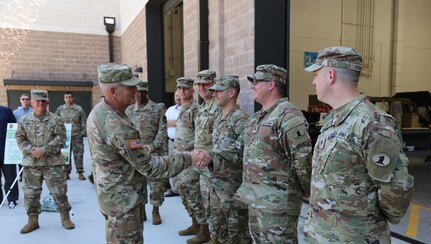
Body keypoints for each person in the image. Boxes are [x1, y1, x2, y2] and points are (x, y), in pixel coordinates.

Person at [87, 64, 209, 244]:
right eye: (129, 87)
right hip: (123, 203)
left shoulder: (101, 111)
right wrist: (189, 157)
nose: (136, 90)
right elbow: (150, 166)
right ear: (113, 91)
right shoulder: (115, 123)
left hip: (112, 197)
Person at [303, 46, 414, 243]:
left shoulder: (372, 123)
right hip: (322, 235)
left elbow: (397, 190)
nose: (313, 81)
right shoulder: (333, 119)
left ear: (330, 75)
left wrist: (366, 221)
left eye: (316, 74)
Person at [233, 64, 312, 243]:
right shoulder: (257, 118)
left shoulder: (288, 114)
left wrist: (306, 194)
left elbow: (303, 160)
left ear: (271, 84)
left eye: (256, 81)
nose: (252, 86)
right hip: (256, 200)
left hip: (278, 206)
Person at [195, 75, 251, 243]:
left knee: (237, 234)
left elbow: (243, 154)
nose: (215, 94)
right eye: (214, 91)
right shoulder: (219, 117)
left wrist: (212, 156)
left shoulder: (241, 119)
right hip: (216, 185)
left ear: (232, 92)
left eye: (219, 91)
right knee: (219, 229)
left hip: (232, 189)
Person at [15, 89, 75, 234]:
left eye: (43, 100)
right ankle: (32, 221)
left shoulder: (56, 119)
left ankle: (65, 218)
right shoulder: (24, 120)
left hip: (53, 163)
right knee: (30, 194)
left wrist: (44, 150)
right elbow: (20, 138)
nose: (40, 103)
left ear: (47, 102)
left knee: (59, 193)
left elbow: (61, 139)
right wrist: (32, 150)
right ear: (32, 102)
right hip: (31, 163)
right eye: (37, 100)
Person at [125, 81, 168, 225]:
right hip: (136, 154)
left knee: (156, 184)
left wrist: (152, 147)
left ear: (147, 93)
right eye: (137, 91)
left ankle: (155, 210)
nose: (139, 94)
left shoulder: (157, 108)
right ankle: (141, 210)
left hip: (154, 154)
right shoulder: (129, 110)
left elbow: (162, 131)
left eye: (143, 92)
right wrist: (138, 147)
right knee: (138, 184)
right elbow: (127, 133)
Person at [189, 69, 220, 244]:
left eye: (205, 84)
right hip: (200, 164)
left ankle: (215, 237)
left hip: (212, 164)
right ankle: (206, 231)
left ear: (213, 84)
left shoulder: (217, 107)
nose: (201, 87)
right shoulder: (201, 108)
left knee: (215, 204)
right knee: (205, 201)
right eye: (199, 84)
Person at [174, 77, 204, 239]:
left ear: (192, 91)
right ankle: (195, 223)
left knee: (194, 194)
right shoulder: (181, 109)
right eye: (180, 88)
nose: (183, 91)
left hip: (191, 160)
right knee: (185, 194)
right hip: (180, 160)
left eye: (186, 88)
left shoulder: (195, 110)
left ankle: (203, 230)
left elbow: (199, 136)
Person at [55, 91, 87, 180]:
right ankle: (66, 172)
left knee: (79, 155)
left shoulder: (78, 109)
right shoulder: (60, 109)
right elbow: (56, 121)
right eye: (66, 97)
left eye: (70, 97)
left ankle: (80, 172)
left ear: (73, 98)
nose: (68, 99)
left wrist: (82, 133)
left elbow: (83, 121)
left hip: (77, 135)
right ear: (64, 99)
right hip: (65, 137)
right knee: (66, 155)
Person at [0, 106, 18, 209]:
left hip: (7, 150)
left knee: (10, 175)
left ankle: (12, 198)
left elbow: (14, 128)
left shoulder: (6, 111)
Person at [164, 90, 181, 197]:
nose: (178, 97)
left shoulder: (187, 110)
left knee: (184, 165)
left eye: (179, 95)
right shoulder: (170, 110)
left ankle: (184, 189)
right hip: (171, 142)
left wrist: (172, 122)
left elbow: (181, 123)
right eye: (176, 95)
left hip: (183, 143)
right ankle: (174, 189)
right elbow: (163, 123)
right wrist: (175, 122)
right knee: (172, 166)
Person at [13, 93, 33, 181]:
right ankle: (22, 176)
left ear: (30, 101)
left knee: (32, 155)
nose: (25, 101)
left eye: (27, 99)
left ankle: (34, 175)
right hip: (21, 138)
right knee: (21, 157)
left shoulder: (34, 111)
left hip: (32, 137)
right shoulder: (15, 113)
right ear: (20, 101)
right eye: (23, 99)